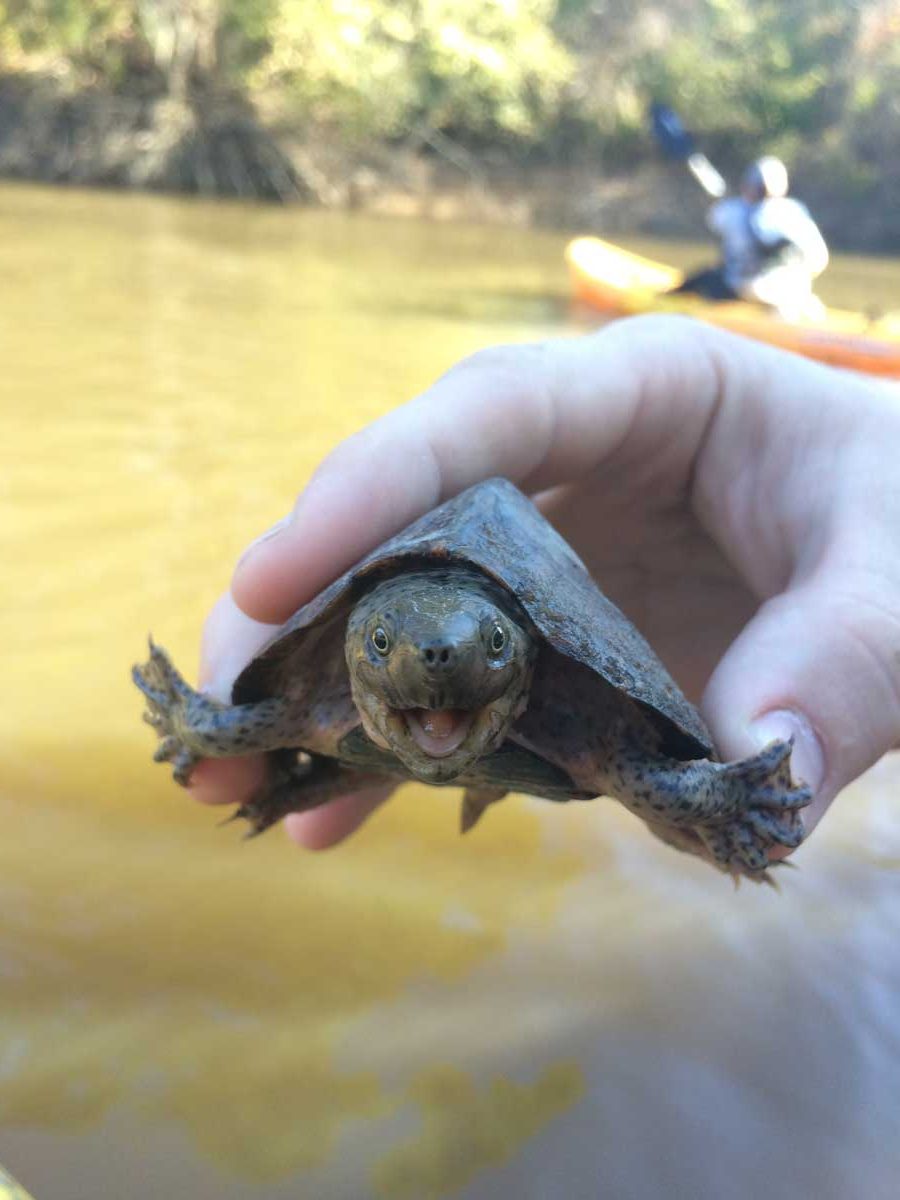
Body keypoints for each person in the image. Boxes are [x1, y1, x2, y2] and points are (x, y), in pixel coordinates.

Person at [189, 315, 900, 864]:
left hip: (553, 715)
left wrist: (741, 793)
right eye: (383, 645)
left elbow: (674, 780)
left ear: (525, 654)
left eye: (493, 646)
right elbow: (247, 720)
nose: (438, 664)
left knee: (672, 791)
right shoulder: (322, 696)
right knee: (229, 731)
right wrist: (197, 726)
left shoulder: (582, 724)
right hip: (386, 708)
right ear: (354, 647)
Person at [673, 157, 829, 319]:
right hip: (788, 293)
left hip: (744, 288)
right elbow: (819, 260)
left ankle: (674, 303)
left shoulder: (731, 209)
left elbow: (715, 219)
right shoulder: (794, 210)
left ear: (748, 185)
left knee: (706, 278)